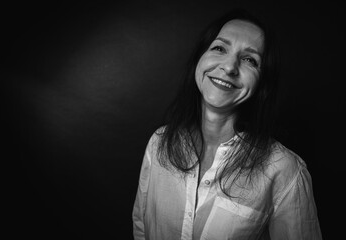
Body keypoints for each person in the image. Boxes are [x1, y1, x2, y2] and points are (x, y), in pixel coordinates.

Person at [132, 8, 322, 240]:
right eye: (219, 48)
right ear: (200, 59)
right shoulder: (159, 143)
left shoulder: (285, 170)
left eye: (250, 60)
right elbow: (141, 227)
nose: (230, 67)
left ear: (263, 83)